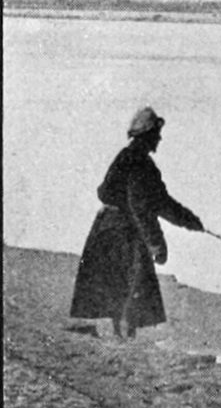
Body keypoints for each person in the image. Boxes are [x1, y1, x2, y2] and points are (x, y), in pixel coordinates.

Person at [70, 107, 204, 339]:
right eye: (156, 134)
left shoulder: (135, 160)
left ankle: (120, 335)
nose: (159, 139)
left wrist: (190, 220)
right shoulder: (138, 162)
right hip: (121, 230)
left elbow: (161, 201)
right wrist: (156, 245)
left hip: (108, 227)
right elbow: (141, 207)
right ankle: (121, 337)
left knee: (120, 286)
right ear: (147, 135)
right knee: (131, 283)